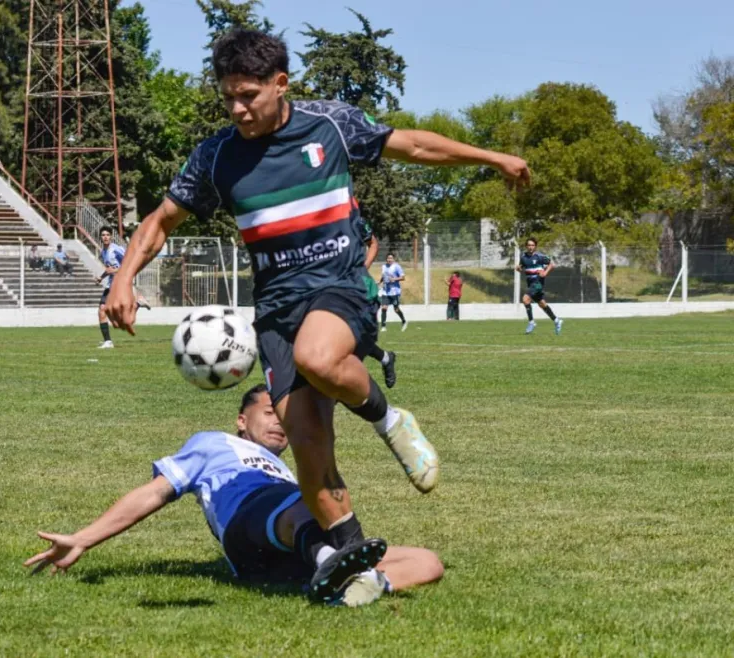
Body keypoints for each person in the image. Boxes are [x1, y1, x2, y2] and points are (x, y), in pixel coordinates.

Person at [104, 28, 530, 595]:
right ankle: (350, 564)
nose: (237, 108)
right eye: (228, 97)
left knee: (319, 356)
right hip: (275, 310)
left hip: (338, 286)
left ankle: (389, 419)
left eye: (249, 95)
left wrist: (491, 157)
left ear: (281, 84)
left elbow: (414, 146)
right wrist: (124, 277)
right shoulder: (215, 156)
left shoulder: (330, 124)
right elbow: (161, 221)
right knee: (307, 443)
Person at [25, 384, 444, 606]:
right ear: (242, 420)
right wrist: (83, 539)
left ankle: (350, 587)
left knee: (428, 562)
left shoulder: (286, 466)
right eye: (270, 413)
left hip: (287, 550)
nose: (280, 423)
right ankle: (331, 564)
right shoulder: (213, 443)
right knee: (307, 499)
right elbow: (154, 493)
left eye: (285, 417)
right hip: (249, 526)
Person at [356, 212, 396, 389]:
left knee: (358, 340)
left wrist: (363, 267)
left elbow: (373, 243)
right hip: (331, 289)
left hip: (363, 291)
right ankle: (386, 358)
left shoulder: (353, 220)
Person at [95, 226, 151, 349]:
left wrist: (114, 271)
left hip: (121, 283)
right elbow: (109, 269)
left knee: (121, 316)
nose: (105, 237)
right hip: (111, 284)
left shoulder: (116, 249)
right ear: (100, 237)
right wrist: (101, 277)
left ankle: (138, 303)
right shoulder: (103, 251)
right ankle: (108, 342)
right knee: (102, 311)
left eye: (107, 235)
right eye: (103, 235)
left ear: (111, 236)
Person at [516, 237, 562, 335]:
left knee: (525, 299)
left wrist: (545, 272)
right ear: (526, 246)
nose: (530, 247)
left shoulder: (540, 256)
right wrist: (519, 269)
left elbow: (552, 264)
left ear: (535, 246)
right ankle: (557, 320)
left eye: (532, 245)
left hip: (538, 283)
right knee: (541, 303)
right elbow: (521, 267)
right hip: (530, 283)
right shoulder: (523, 257)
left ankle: (531, 322)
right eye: (529, 245)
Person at [379, 253, 407, 332]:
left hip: (394, 291)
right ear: (386, 259)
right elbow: (384, 276)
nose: (389, 260)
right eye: (388, 258)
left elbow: (403, 277)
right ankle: (383, 326)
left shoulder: (397, 267)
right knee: (384, 308)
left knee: (396, 309)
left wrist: (394, 279)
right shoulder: (384, 266)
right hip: (385, 291)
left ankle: (404, 321)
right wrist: (380, 282)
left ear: (393, 259)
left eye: (391, 258)